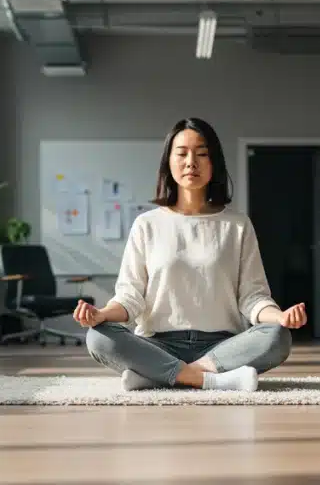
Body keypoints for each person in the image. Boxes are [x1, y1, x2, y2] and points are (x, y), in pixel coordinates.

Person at [74, 117, 307, 391]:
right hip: (157, 344)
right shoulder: (147, 224)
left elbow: (253, 296)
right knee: (98, 338)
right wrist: (101, 314)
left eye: (201, 154)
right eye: (182, 153)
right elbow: (130, 297)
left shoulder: (237, 224)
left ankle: (158, 375)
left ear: (214, 163)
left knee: (278, 336)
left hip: (222, 348)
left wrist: (279, 317)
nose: (190, 162)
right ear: (168, 162)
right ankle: (210, 381)